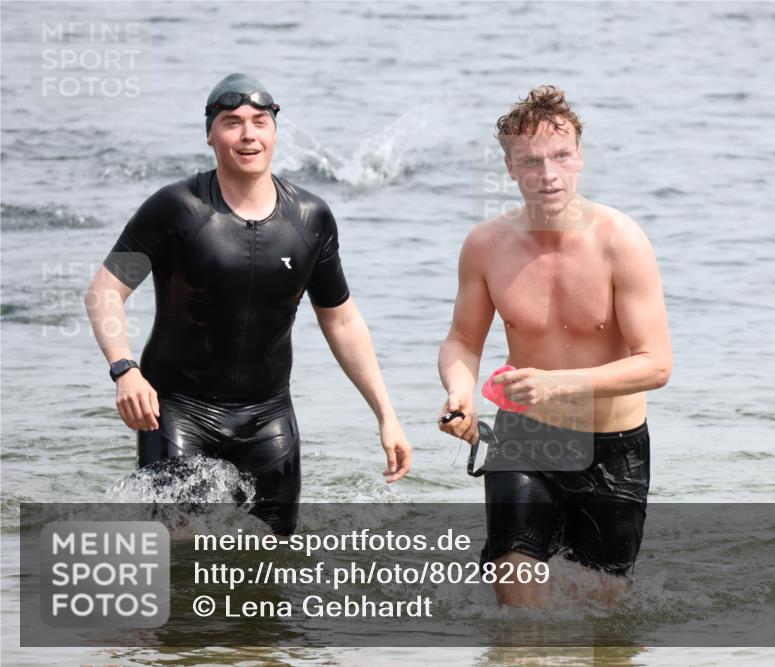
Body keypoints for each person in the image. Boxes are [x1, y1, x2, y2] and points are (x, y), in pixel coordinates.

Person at [85, 73, 411, 535]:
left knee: (270, 566)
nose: (248, 134)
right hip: (179, 411)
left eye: (260, 122)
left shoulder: (310, 218)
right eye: (232, 122)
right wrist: (125, 369)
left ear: (275, 132)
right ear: (210, 136)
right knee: (180, 560)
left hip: (268, 419)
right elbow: (105, 291)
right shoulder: (175, 208)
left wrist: (387, 417)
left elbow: (341, 320)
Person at [437, 85, 671, 606]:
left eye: (561, 156)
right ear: (510, 167)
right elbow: (462, 339)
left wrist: (555, 382)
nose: (549, 174)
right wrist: (460, 393)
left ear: (580, 156)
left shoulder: (621, 241)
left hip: (613, 447)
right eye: (532, 161)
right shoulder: (486, 245)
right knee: (517, 600)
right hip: (525, 439)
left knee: (603, 619)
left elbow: (656, 365)